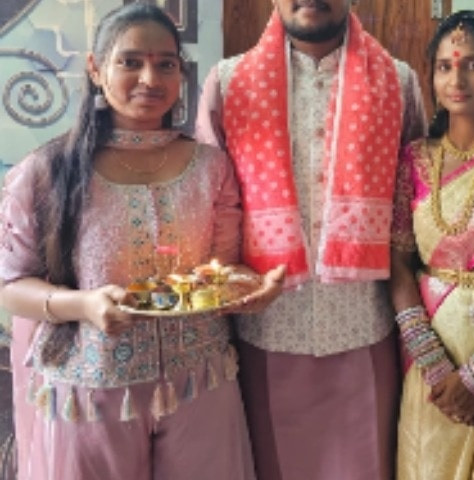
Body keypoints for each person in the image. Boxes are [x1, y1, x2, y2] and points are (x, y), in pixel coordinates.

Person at [0, 4, 271, 479]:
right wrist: (84, 305)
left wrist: (250, 287)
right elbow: (10, 286)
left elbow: (221, 269)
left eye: (166, 64)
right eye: (130, 62)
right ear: (95, 68)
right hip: (91, 392)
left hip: (201, 380)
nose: (150, 78)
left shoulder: (211, 167)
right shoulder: (47, 171)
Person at [195, 1, 427, 479]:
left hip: (363, 330)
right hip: (268, 331)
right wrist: (230, 276)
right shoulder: (229, 82)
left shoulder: (399, 82)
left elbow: (416, 200)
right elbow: (209, 205)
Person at [390, 10, 474, 479]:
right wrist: (434, 364)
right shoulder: (414, 160)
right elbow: (399, 265)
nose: (457, 80)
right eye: (445, 66)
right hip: (430, 363)